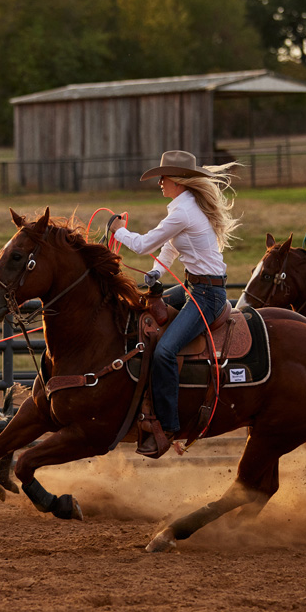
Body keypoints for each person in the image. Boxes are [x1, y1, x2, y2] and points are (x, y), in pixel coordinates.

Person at [109, 150, 242, 458]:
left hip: (206, 296)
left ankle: (167, 426)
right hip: (197, 287)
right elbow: (170, 246)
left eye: (164, 177)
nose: (160, 182)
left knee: (166, 351)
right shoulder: (186, 207)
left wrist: (119, 231)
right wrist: (157, 270)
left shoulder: (182, 211)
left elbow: (144, 244)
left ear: (178, 181)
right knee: (146, 314)